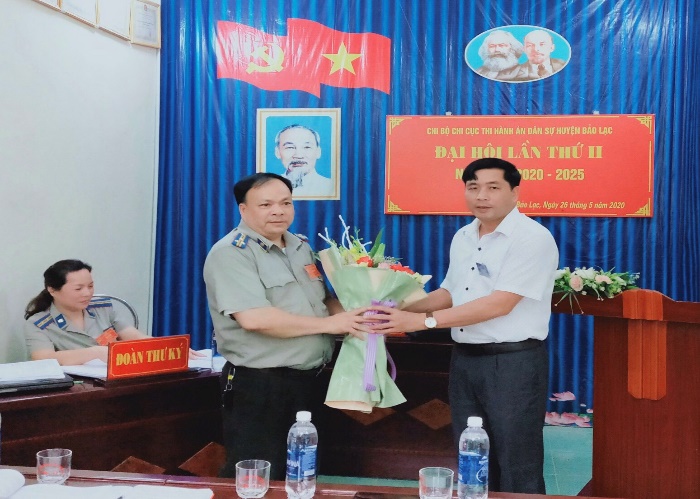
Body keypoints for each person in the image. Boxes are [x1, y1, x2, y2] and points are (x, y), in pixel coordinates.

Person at [370, 158, 559, 494]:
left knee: (517, 459)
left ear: (515, 192)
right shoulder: (464, 236)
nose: (481, 195)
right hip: (465, 360)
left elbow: (500, 303)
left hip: (513, 363)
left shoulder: (532, 238)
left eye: (493, 187)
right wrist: (391, 305)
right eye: (473, 187)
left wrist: (422, 321)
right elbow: (449, 293)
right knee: (473, 455)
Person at [202, 172, 371, 480]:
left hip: (310, 380)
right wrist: (333, 323)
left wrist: (358, 316)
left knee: (304, 474)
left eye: (286, 203)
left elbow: (322, 301)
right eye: (266, 204)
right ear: (243, 209)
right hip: (261, 385)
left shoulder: (300, 246)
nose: (278, 211)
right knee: (260, 474)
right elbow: (254, 318)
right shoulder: (231, 253)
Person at [24, 259, 149, 365]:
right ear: (52, 290)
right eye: (78, 289)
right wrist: (95, 353)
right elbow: (42, 358)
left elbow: (138, 339)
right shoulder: (39, 323)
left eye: (90, 286)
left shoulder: (103, 309)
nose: (87, 293)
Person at [274, 124, 334, 197]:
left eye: (307, 147)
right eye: (290, 147)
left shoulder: (331, 187)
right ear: (277, 152)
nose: (299, 156)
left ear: (318, 152)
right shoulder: (268, 187)